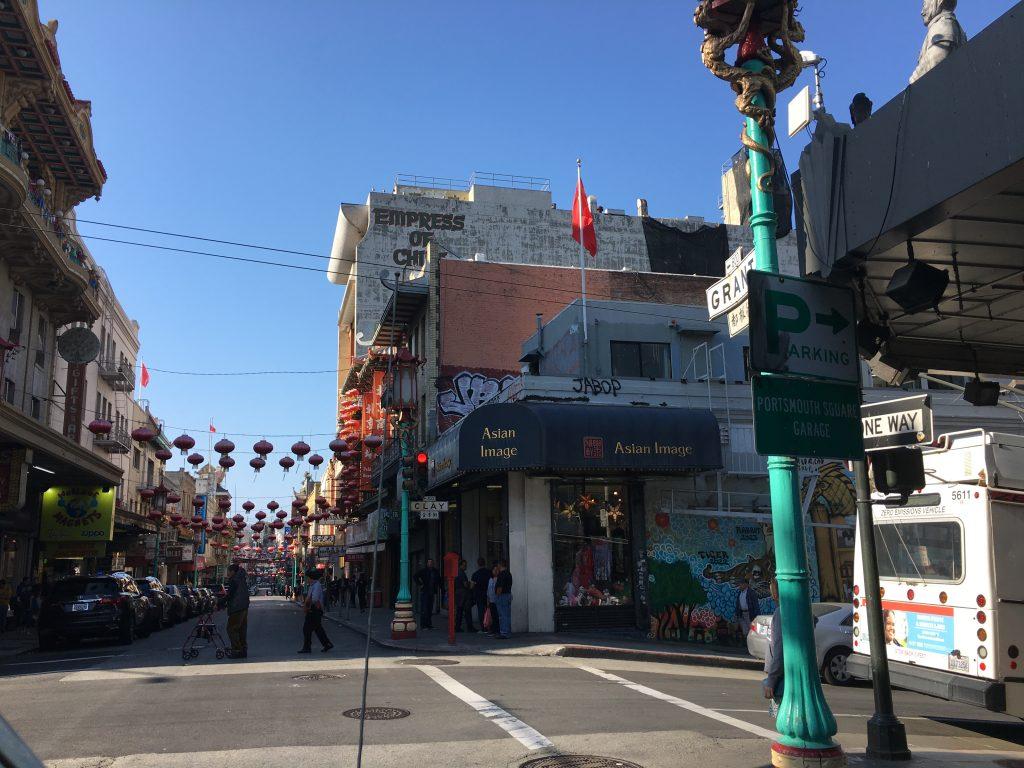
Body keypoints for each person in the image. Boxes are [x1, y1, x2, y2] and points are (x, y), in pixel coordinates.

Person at [298, 569, 334, 653]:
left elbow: (314, 599)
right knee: (318, 629)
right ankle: (327, 644)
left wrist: (307, 604)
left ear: (312, 578)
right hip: (312, 609)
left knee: (307, 629)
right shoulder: (312, 585)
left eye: (308, 578)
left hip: (314, 610)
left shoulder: (316, 585)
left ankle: (307, 647)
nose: (307, 579)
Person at [762, 579, 783, 717]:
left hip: (782, 679)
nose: (772, 596)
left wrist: (771, 679)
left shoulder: (780, 613)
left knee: (781, 720)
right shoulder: (802, 610)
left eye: (773, 591)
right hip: (786, 676)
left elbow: (779, 650)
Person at [224, 563, 250, 659]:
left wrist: (220, 602)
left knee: (231, 629)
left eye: (228, 572)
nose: (227, 574)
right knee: (242, 629)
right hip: (244, 606)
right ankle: (243, 649)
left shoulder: (234, 580)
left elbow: (230, 595)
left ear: (232, 572)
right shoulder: (241, 579)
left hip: (237, 607)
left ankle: (237, 650)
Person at [414, 558, 440, 629]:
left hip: (432, 592)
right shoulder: (423, 571)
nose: (430, 564)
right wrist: (420, 584)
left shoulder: (435, 571)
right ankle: (423, 625)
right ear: (427, 564)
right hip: (425, 592)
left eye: (431, 562)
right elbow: (415, 576)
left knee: (429, 609)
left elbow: (438, 580)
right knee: (424, 609)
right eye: (429, 562)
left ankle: (429, 624)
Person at [470, 558, 490, 634]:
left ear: (478, 564)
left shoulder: (475, 574)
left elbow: (471, 586)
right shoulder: (489, 572)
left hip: (479, 595)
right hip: (488, 594)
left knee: (481, 611)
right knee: (489, 610)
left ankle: (483, 627)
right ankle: (490, 626)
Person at [454, 559, 474, 632]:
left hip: (458, 593)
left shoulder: (457, 572)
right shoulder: (462, 573)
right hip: (463, 593)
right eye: (464, 565)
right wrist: (470, 584)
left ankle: (457, 626)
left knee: (459, 610)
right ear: (461, 565)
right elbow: (465, 584)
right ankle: (469, 627)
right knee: (467, 610)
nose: (466, 567)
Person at [494, 559, 513, 639]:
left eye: (497, 565)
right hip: (508, 594)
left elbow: (500, 587)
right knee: (507, 615)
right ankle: (507, 632)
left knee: (502, 615)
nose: (497, 567)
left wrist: (497, 595)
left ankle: (504, 632)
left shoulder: (502, 574)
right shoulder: (508, 573)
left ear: (500, 565)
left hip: (502, 596)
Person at [486, 564, 499, 636]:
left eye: (497, 570)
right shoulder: (490, 580)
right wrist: (487, 601)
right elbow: (488, 591)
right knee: (493, 616)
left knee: (497, 616)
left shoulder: (499, 579)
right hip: (491, 601)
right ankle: (493, 630)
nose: (496, 571)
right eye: (494, 570)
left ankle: (497, 630)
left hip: (497, 601)